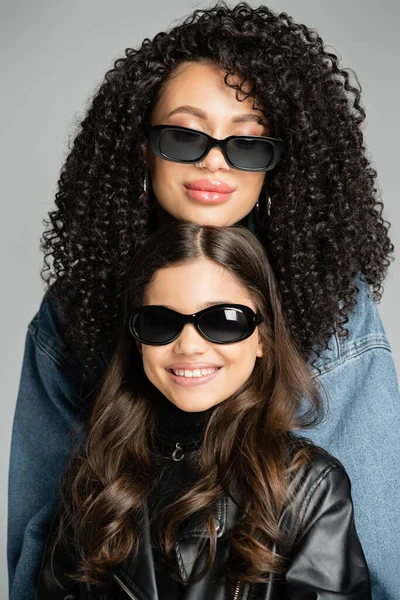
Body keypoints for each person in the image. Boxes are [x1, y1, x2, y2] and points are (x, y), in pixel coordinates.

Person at [8, 3, 398, 600]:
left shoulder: (332, 304)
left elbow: (375, 550)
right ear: (143, 148)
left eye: (246, 144)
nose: (215, 160)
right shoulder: (73, 308)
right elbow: (42, 531)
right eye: (185, 135)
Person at [36, 222, 371, 599]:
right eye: (161, 322)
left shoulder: (310, 486)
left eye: (222, 321)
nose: (189, 346)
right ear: (137, 341)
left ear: (262, 337)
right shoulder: (95, 475)